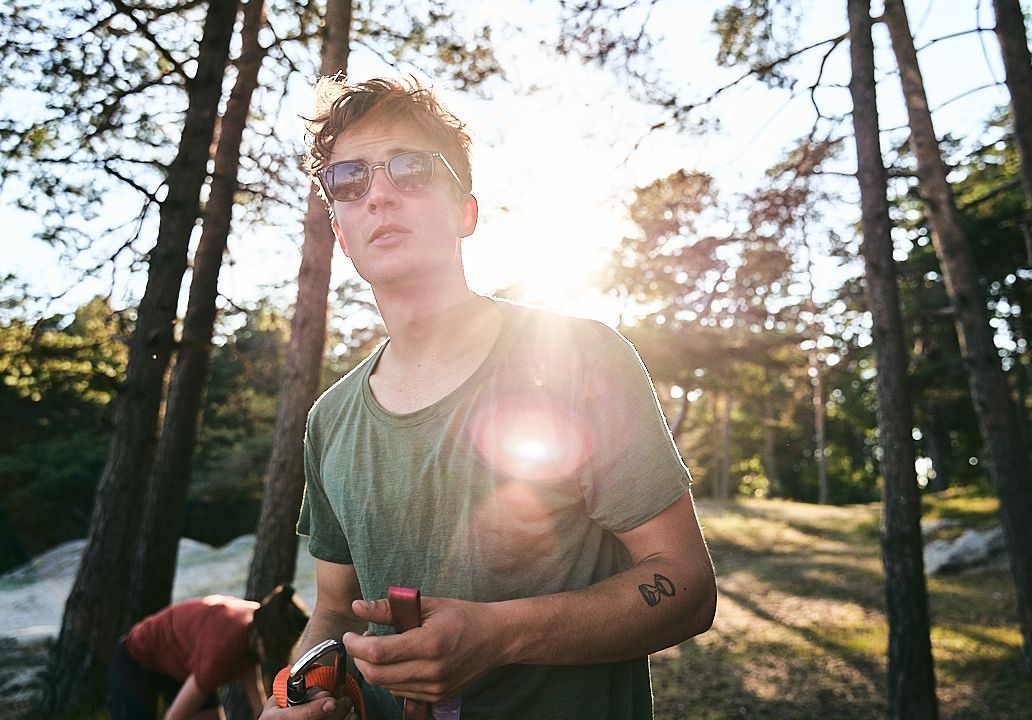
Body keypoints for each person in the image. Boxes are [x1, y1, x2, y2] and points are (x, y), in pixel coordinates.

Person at [260, 76, 716, 720]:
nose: (380, 193)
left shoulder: (581, 356)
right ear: (338, 230)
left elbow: (687, 587)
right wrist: (292, 694)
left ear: (465, 212)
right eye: (350, 179)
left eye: (411, 169)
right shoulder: (329, 420)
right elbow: (334, 608)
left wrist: (500, 634)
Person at [108, 585, 309, 720]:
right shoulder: (223, 648)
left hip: (180, 664)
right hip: (137, 659)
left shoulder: (261, 622)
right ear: (261, 636)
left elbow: (258, 704)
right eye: (277, 649)